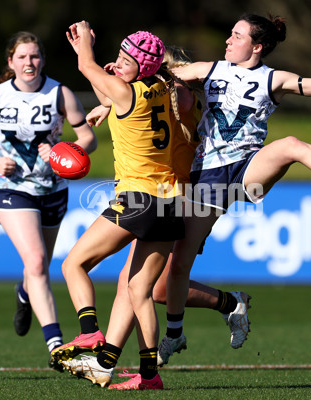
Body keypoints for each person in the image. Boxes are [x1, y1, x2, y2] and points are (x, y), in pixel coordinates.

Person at [157, 13, 311, 364]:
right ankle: (175, 335)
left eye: (236, 36)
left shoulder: (274, 79)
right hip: (207, 176)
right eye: (230, 35)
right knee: (176, 269)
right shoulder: (210, 69)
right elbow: (159, 75)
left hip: (249, 168)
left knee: (292, 145)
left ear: (257, 46)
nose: (228, 41)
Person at [59, 46, 252, 382]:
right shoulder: (165, 92)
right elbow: (131, 98)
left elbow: (140, 97)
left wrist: (109, 90)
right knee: (138, 288)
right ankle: (117, 365)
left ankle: (228, 303)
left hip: (172, 196)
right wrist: (109, 95)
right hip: (171, 199)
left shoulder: (180, 94)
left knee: (150, 287)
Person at [50, 22, 184, 390]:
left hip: (138, 201)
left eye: (126, 61)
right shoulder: (160, 87)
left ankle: (90, 333)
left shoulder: (126, 93)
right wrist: (105, 101)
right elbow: (115, 92)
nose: (118, 63)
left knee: (73, 264)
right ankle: (150, 375)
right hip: (172, 204)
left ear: (142, 67)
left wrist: (86, 45)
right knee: (139, 292)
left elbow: (86, 67)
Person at [0, 31, 97, 371]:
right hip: (10, 187)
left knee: (39, 267)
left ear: (43, 60)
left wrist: (62, 151)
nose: (29, 63)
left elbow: (88, 138)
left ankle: (24, 295)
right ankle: (55, 344)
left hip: (51, 188)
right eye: (22, 57)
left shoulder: (59, 93)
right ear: (10, 62)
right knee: (36, 261)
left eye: (34, 56)